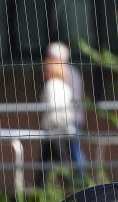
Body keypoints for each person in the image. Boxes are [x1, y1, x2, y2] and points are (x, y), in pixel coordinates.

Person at [36, 57, 84, 189]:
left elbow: (53, 110)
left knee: (56, 161)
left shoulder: (51, 85)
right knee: (53, 160)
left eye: (46, 69)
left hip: (54, 129)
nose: (43, 72)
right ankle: (45, 189)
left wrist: (46, 124)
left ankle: (66, 189)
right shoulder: (64, 86)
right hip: (65, 127)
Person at [44, 42, 88, 186]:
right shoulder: (71, 73)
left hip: (64, 122)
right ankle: (76, 183)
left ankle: (79, 182)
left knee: (72, 153)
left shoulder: (62, 76)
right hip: (70, 119)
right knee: (70, 154)